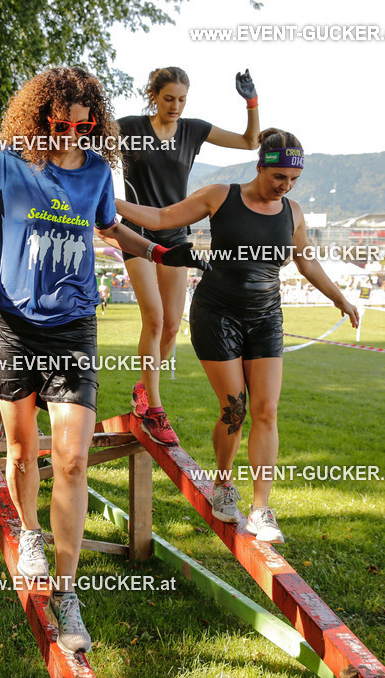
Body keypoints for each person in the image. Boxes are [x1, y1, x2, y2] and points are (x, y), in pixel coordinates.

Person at [0, 67, 204, 654]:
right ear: (41, 119)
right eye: (62, 126)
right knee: (23, 451)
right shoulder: (8, 163)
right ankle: (28, 532)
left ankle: (67, 589)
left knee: (74, 460)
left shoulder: (98, 172)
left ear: (94, 125)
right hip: (12, 326)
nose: (72, 138)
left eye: (83, 128)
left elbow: (109, 231)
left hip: (74, 327)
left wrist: (159, 248)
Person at [116, 128, 360, 544]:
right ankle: (223, 483)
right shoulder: (220, 196)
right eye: (278, 177)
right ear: (261, 166)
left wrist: (341, 298)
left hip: (266, 317)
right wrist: (103, 201)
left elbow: (306, 261)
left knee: (267, 411)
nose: (284, 186)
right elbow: (160, 219)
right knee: (236, 409)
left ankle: (262, 508)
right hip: (218, 314)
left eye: (293, 181)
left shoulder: (293, 212)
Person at [118, 67, 260, 446]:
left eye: (182, 99)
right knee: (155, 318)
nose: (176, 106)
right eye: (169, 99)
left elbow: (250, 143)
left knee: (171, 328)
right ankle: (155, 410)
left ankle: (143, 390)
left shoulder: (193, 130)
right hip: (135, 231)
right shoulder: (128, 127)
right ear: (154, 95)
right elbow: (83, 144)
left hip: (175, 233)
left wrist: (251, 102)